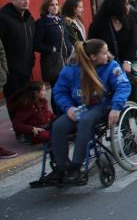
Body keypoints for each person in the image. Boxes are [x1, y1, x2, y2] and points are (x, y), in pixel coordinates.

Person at [30, 39, 131, 187]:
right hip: (80, 107)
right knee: (58, 126)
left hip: (103, 105)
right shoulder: (71, 70)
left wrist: (116, 107)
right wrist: (68, 107)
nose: (108, 55)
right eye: (104, 53)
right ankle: (61, 167)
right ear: (92, 57)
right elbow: (59, 91)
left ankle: (76, 167)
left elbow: (123, 85)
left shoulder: (111, 66)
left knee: (85, 121)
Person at [88, 0, 137, 103]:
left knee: (132, 97)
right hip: (108, 64)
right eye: (126, 4)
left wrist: (128, 61)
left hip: (128, 64)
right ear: (117, 6)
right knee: (114, 97)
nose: (128, 7)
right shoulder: (99, 23)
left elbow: (134, 42)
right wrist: (105, 55)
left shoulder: (129, 20)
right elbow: (92, 43)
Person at [0, 0, 35, 109]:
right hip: (10, 72)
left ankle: (26, 127)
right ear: (13, 0)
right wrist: (4, 68)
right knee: (14, 104)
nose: (26, 1)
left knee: (26, 103)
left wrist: (31, 61)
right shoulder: (3, 17)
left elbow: (31, 42)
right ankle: (18, 127)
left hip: (26, 69)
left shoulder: (29, 19)